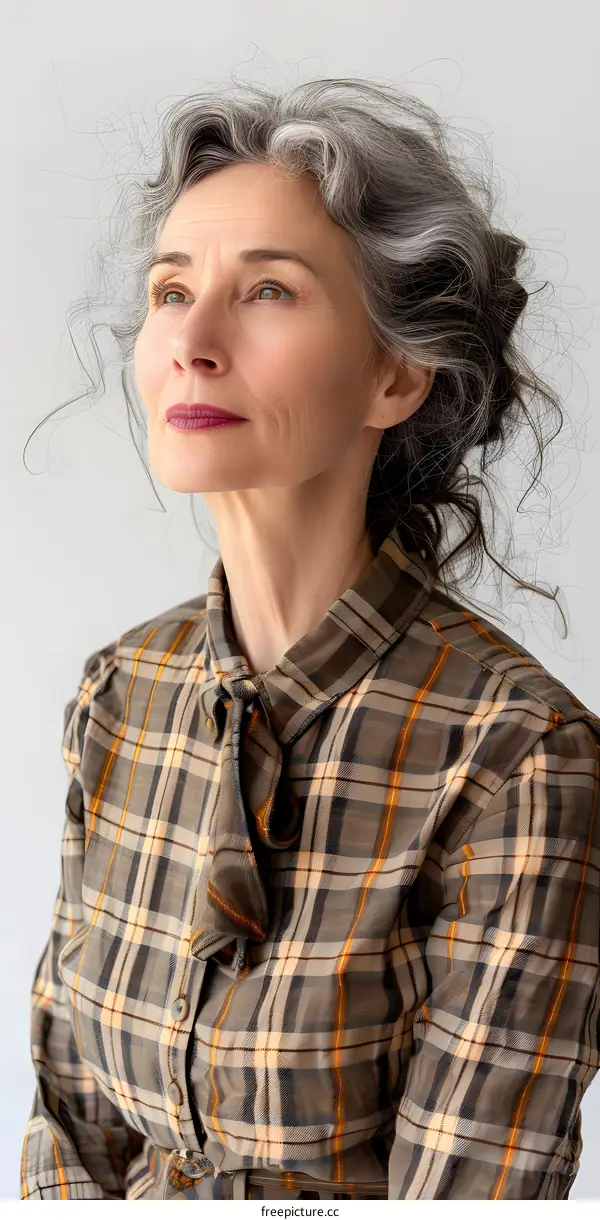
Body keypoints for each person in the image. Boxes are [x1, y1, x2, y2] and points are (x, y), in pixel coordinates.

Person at [21, 77, 600, 1201]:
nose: (190, 340)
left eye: (269, 291)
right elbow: (68, 1124)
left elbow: (466, 1193)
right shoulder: (120, 695)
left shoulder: (516, 754)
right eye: (171, 289)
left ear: (396, 373)